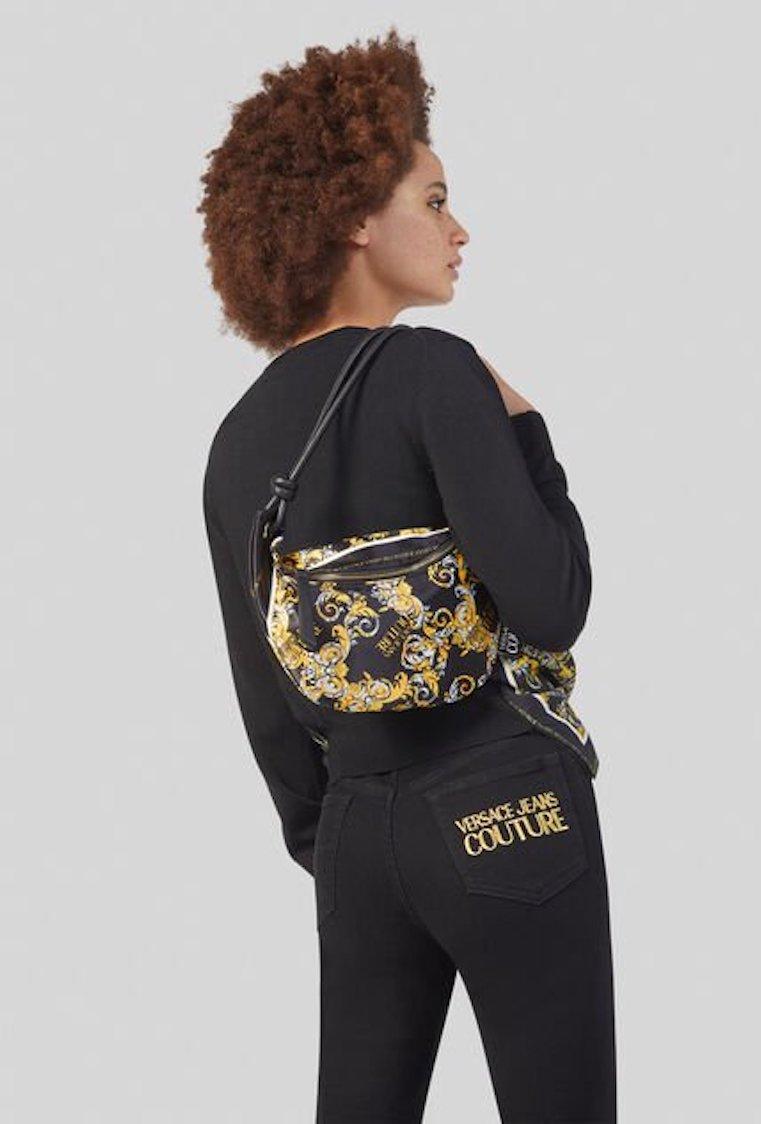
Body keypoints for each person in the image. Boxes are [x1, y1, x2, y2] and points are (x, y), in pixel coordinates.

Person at [198, 26, 616, 1124]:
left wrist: (347, 838)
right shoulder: (436, 371)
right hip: (507, 800)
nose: (458, 229)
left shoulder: (236, 442)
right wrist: (528, 433)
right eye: (433, 200)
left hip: (354, 830)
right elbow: (552, 603)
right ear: (352, 215)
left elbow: (267, 707)